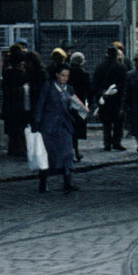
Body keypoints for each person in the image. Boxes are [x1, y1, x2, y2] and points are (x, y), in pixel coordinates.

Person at [32, 65, 88, 193]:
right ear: (57, 75)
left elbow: (75, 104)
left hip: (64, 125)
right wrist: (37, 121)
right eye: (63, 75)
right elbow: (40, 103)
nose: (65, 78)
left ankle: (67, 182)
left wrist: (83, 111)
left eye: (67, 76)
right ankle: (43, 182)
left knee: (68, 152)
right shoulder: (49, 86)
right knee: (48, 155)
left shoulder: (69, 89)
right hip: (49, 126)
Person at [93, 44, 129, 151]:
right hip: (117, 99)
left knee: (106, 123)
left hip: (105, 99)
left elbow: (95, 83)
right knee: (118, 123)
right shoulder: (121, 67)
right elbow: (124, 84)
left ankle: (107, 143)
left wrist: (101, 93)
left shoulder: (100, 67)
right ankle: (116, 143)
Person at [1, 45, 28, 158]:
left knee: (12, 128)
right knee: (21, 127)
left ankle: (12, 148)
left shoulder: (7, 73)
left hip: (9, 103)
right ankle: (21, 148)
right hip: (20, 103)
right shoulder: (23, 74)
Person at [67, 51, 93, 162]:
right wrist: (90, 103)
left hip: (68, 103)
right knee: (76, 130)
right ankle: (76, 152)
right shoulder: (84, 74)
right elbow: (89, 90)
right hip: (79, 104)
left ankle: (70, 153)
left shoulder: (67, 73)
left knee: (68, 129)